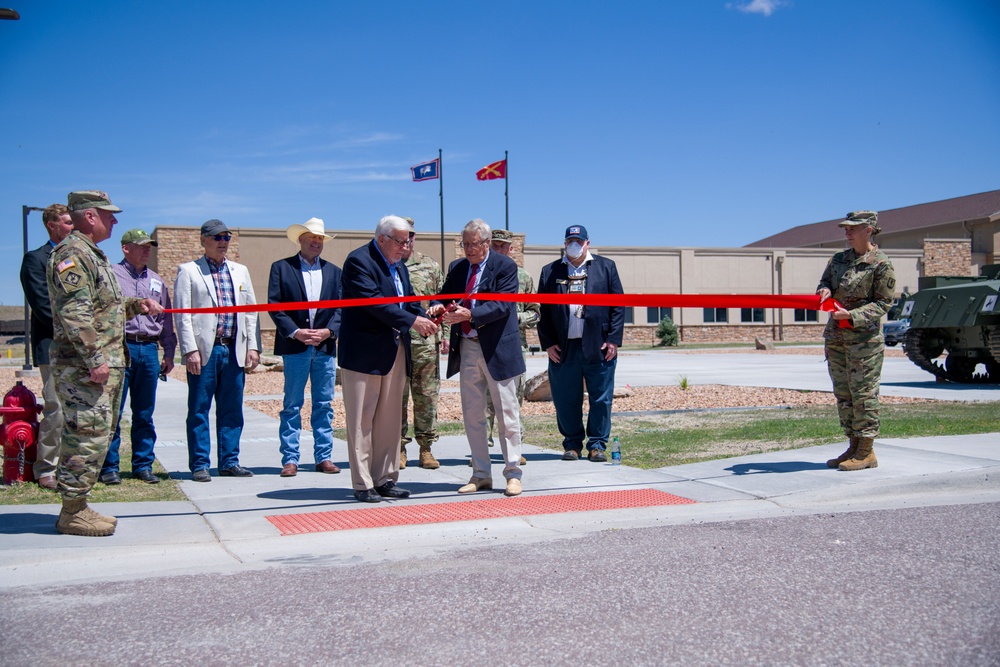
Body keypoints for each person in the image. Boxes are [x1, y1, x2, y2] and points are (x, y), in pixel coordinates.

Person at [47, 191, 163, 536]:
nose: (114, 221)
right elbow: (75, 314)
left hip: (104, 364)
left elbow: (102, 305)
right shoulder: (72, 255)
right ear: (90, 216)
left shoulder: (92, 255)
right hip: (84, 367)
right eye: (108, 215)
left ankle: (78, 505)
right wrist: (95, 359)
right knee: (85, 436)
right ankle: (71, 511)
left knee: (97, 435)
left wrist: (135, 304)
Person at [338, 215, 438, 503]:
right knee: (362, 421)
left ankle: (385, 478)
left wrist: (429, 312)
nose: (405, 245)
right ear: (382, 238)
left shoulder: (399, 267)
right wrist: (413, 321)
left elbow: (407, 301)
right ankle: (363, 482)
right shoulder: (359, 261)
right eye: (400, 240)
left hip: (395, 350)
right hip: (363, 354)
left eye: (408, 240)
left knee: (390, 420)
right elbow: (375, 303)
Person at [432, 219, 525, 497]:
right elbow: (445, 294)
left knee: (507, 414)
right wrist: (437, 304)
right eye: (465, 244)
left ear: (486, 243)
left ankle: (513, 473)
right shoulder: (458, 268)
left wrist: (470, 315)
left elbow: (502, 304)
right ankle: (481, 474)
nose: (469, 249)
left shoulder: (505, 266)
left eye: (474, 244)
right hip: (468, 347)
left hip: (497, 348)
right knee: (473, 415)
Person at [174, 219, 260, 482]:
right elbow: (183, 315)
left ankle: (229, 461)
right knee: (199, 408)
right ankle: (200, 464)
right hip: (205, 352)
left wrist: (253, 346)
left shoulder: (240, 271)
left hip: (234, 349)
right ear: (203, 240)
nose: (223, 242)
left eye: (227, 237)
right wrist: (189, 351)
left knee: (232, 409)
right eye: (217, 237)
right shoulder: (188, 271)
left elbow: (250, 312)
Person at [537, 225, 624, 462]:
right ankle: (572, 444)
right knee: (566, 398)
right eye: (569, 240)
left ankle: (597, 445)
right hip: (564, 349)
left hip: (598, 347)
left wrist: (613, 340)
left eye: (578, 240)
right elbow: (541, 311)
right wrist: (548, 343)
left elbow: (618, 306)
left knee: (600, 398)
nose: (573, 244)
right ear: (564, 244)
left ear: (587, 243)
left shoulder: (606, 267)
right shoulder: (550, 271)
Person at [817, 210, 896, 472]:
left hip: (864, 341)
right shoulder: (838, 259)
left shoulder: (881, 264)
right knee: (844, 394)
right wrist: (824, 290)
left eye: (853, 228)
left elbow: (884, 303)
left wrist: (852, 316)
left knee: (864, 395)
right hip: (837, 338)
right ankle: (853, 445)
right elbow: (825, 282)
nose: (847, 232)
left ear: (869, 231)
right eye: (846, 228)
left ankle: (867, 451)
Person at [100, 229, 177, 485]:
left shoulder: (156, 280)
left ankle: (143, 465)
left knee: (144, 412)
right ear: (125, 248)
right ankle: (109, 467)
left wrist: (169, 351)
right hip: (121, 348)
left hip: (149, 350)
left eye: (149, 246)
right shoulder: (110, 275)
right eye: (142, 246)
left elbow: (166, 320)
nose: (147, 250)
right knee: (114, 410)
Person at [267, 217, 342, 478]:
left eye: (320, 238)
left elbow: (341, 309)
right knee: (292, 404)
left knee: (324, 404)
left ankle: (324, 456)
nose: (316, 241)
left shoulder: (335, 272)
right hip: (294, 346)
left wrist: (329, 331)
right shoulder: (281, 268)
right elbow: (274, 306)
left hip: (324, 348)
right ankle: (290, 459)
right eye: (311, 236)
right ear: (300, 239)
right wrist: (296, 332)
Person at [19, 203, 72, 490]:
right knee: (56, 408)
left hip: (80, 348)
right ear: (51, 225)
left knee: (77, 411)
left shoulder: (77, 257)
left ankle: (71, 467)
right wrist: (77, 331)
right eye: (66, 222)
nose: (71, 227)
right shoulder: (36, 259)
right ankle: (46, 469)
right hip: (52, 345)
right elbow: (42, 306)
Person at [399, 217, 449, 470]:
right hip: (395, 342)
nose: (406, 240)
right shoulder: (386, 265)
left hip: (426, 343)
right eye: (402, 235)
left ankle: (426, 448)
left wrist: (446, 335)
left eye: (410, 235)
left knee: (427, 397)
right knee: (397, 397)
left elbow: (444, 302)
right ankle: (398, 448)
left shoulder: (429, 265)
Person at [485, 228, 539, 464]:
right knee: (485, 399)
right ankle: (482, 449)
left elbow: (536, 313)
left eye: (502, 246)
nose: (498, 250)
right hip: (486, 343)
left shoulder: (524, 278)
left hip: (515, 345)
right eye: (494, 245)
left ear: (511, 249)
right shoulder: (483, 274)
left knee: (513, 399)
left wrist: (519, 319)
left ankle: (515, 449)